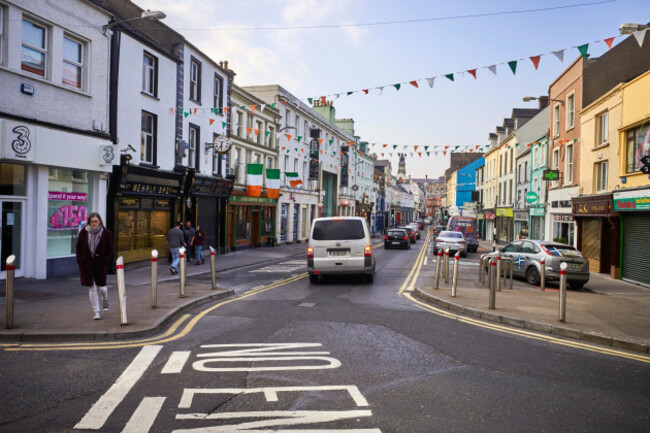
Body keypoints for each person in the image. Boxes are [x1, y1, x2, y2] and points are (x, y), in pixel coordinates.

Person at [75, 212, 113, 320]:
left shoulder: (106, 233)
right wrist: (80, 260)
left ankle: (105, 299)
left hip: (100, 264)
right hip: (86, 264)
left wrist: (105, 261)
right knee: (92, 288)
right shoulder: (84, 232)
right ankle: (96, 312)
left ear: (99, 221)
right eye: (92, 221)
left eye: (96, 221)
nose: (94, 223)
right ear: (89, 222)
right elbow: (78, 247)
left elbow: (110, 249)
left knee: (102, 288)